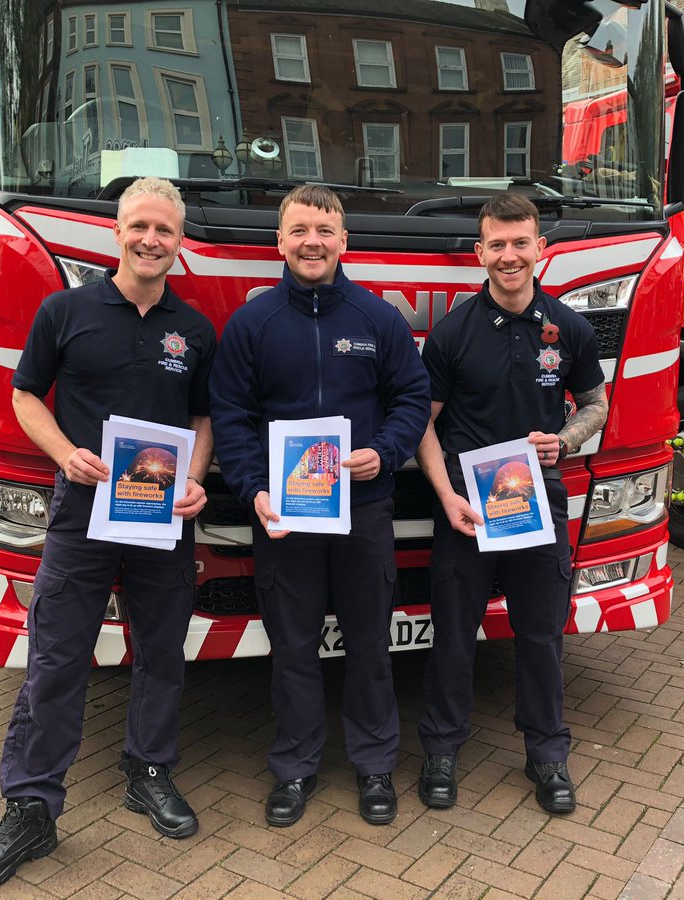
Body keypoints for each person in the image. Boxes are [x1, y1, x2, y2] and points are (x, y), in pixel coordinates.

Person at [0, 177, 216, 896]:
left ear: (179, 241)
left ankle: (149, 770)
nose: (151, 240)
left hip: (161, 516)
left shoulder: (194, 330)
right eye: (140, 226)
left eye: (164, 230)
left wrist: (194, 479)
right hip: (82, 512)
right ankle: (31, 806)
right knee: (58, 655)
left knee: (161, 650)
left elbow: (202, 419)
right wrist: (65, 453)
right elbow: (23, 395)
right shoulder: (65, 311)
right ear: (117, 233)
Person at [209, 184, 430, 828]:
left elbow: (412, 399)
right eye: (301, 230)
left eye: (325, 231)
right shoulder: (252, 323)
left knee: (369, 643)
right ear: (280, 240)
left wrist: (385, 452)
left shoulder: (378, 319)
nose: (313, 242)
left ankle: (375, 765)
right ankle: (295, 767)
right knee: (294, 647)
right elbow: (231, 414)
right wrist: (253, 488)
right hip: (284, 515)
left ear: (343, 241)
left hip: (365, 509)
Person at [414, 193, 609, 816]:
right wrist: (447, 496)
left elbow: (597, 405)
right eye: (496, 244)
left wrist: (565, 440)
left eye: (520, 242)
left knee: (541, 633)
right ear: (480, 253)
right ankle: (441, 750)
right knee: (454, 635)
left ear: (540, 248)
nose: (509, 255)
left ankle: (547, 754)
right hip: (468, 507)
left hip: (537, 502)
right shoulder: (452, 333)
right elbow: (423, 424)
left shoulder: (569, 329)